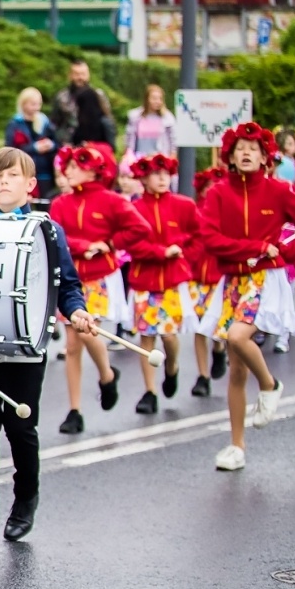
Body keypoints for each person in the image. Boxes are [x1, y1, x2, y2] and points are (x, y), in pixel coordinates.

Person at [0, 148, 96, 550]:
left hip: (26, 348)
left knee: (21, 429)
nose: (4, 182)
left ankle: (25, 502)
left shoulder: (47, 231)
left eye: (13, 176)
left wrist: (76, 312)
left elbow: (66, 285)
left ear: (30, 185)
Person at [198, 121, 295, 472]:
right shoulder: (217, 193)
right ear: (230, 154)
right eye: (240, 148)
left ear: (264, 157)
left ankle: (271, 386)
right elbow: (210, 238)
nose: (246, 153)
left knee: (237, 335)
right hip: (232, 280)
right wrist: (254, 246)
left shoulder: (280, 190)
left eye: (253, 149)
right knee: (236, 368)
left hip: (264, 279)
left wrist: (285, 253)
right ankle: (237, 446)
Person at [47, 144, 146, 433]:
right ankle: (74, 409)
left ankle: (105, 374)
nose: (69, 172)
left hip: (100, 277)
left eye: (76, 167)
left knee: (86, 332)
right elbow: (58, 239)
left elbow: (138, 228)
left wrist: (111, 244)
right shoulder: (61, 204)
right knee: (73, 344)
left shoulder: (111, 200)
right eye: (69, 167)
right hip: (70, 278)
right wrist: (85, 246)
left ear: (93, 170)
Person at [126, 154, 198, 414]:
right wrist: (159, 252)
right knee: (146, 337)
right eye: (156, 174)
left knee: (168, 335)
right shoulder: (133, 209)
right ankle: (150, 391)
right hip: (144, 279)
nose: (162, 178)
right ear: (144, 178)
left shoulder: (184, 205)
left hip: (172, 280)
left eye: (166, 173)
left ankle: (172, 366)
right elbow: (130, 243)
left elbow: (199, 236)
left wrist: (183, 256)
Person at [187, 165, 230, 396]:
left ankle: (219, 349)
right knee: (199, 328)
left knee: (217, 327)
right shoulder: (195, 213)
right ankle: (202, 376)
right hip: (196, 279)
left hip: (220, 278)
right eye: (209, 187)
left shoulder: (228, 214)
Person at [5, 87, 60, 199]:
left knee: (45, 202)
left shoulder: (45, 122)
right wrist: (34, 148)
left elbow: (57, 142)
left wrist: (51, 145)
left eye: (39, 104)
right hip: (23, 170)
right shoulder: (15, 124)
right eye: (33, 104)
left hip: (44, 172)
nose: (37, 108)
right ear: (24, 104)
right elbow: (10, 149)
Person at [53, 60, 115, 148]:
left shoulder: (98, 95)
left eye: (83, 74)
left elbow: (108, 118)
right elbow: (55, 122)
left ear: (88, 75)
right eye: (76, 74)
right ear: (70, 75)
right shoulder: (62, 97)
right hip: (69, 142)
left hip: (95, 143)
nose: (80, 77)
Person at [123, 83, 176, 162]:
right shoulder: (135, 116)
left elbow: (173, 139)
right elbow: (129, 138)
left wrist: (172, 156)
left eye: (160, 99)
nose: (157, 101)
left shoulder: (167, 118)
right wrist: (127, 154)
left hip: (160, 158)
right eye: (154, 98)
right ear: (147, 99)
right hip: (139, 158)